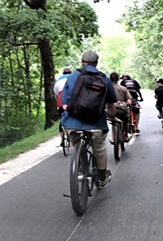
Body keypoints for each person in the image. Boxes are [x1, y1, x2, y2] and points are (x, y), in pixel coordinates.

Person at [61, 50, 117, 188]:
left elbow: (64, 104)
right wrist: (113, 117)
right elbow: (110, 104)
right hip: (96, 124)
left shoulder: (73, 76)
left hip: (71, 123)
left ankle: (78, 161)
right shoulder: (104, 79)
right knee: (99, 148)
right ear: (96, 63)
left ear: (82, 62)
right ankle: (102, 177)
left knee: (74, 136)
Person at [110, 72, 133, 142]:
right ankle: (126, 136)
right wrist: (128, 103)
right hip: (122, 109)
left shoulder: (107, 88)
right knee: (125, 121)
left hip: (110, 109)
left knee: (112, 121)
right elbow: (129, 101)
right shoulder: (123, 88)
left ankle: (113, 137)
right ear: (118, 79)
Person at [54, 66, 72, 146]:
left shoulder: (58, 80)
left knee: (61, 120)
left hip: (60, 101)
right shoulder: (72, 78)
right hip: (70, 100)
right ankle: (72, 135)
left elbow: (56, 94)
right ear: (70, 73)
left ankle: (62, 140)